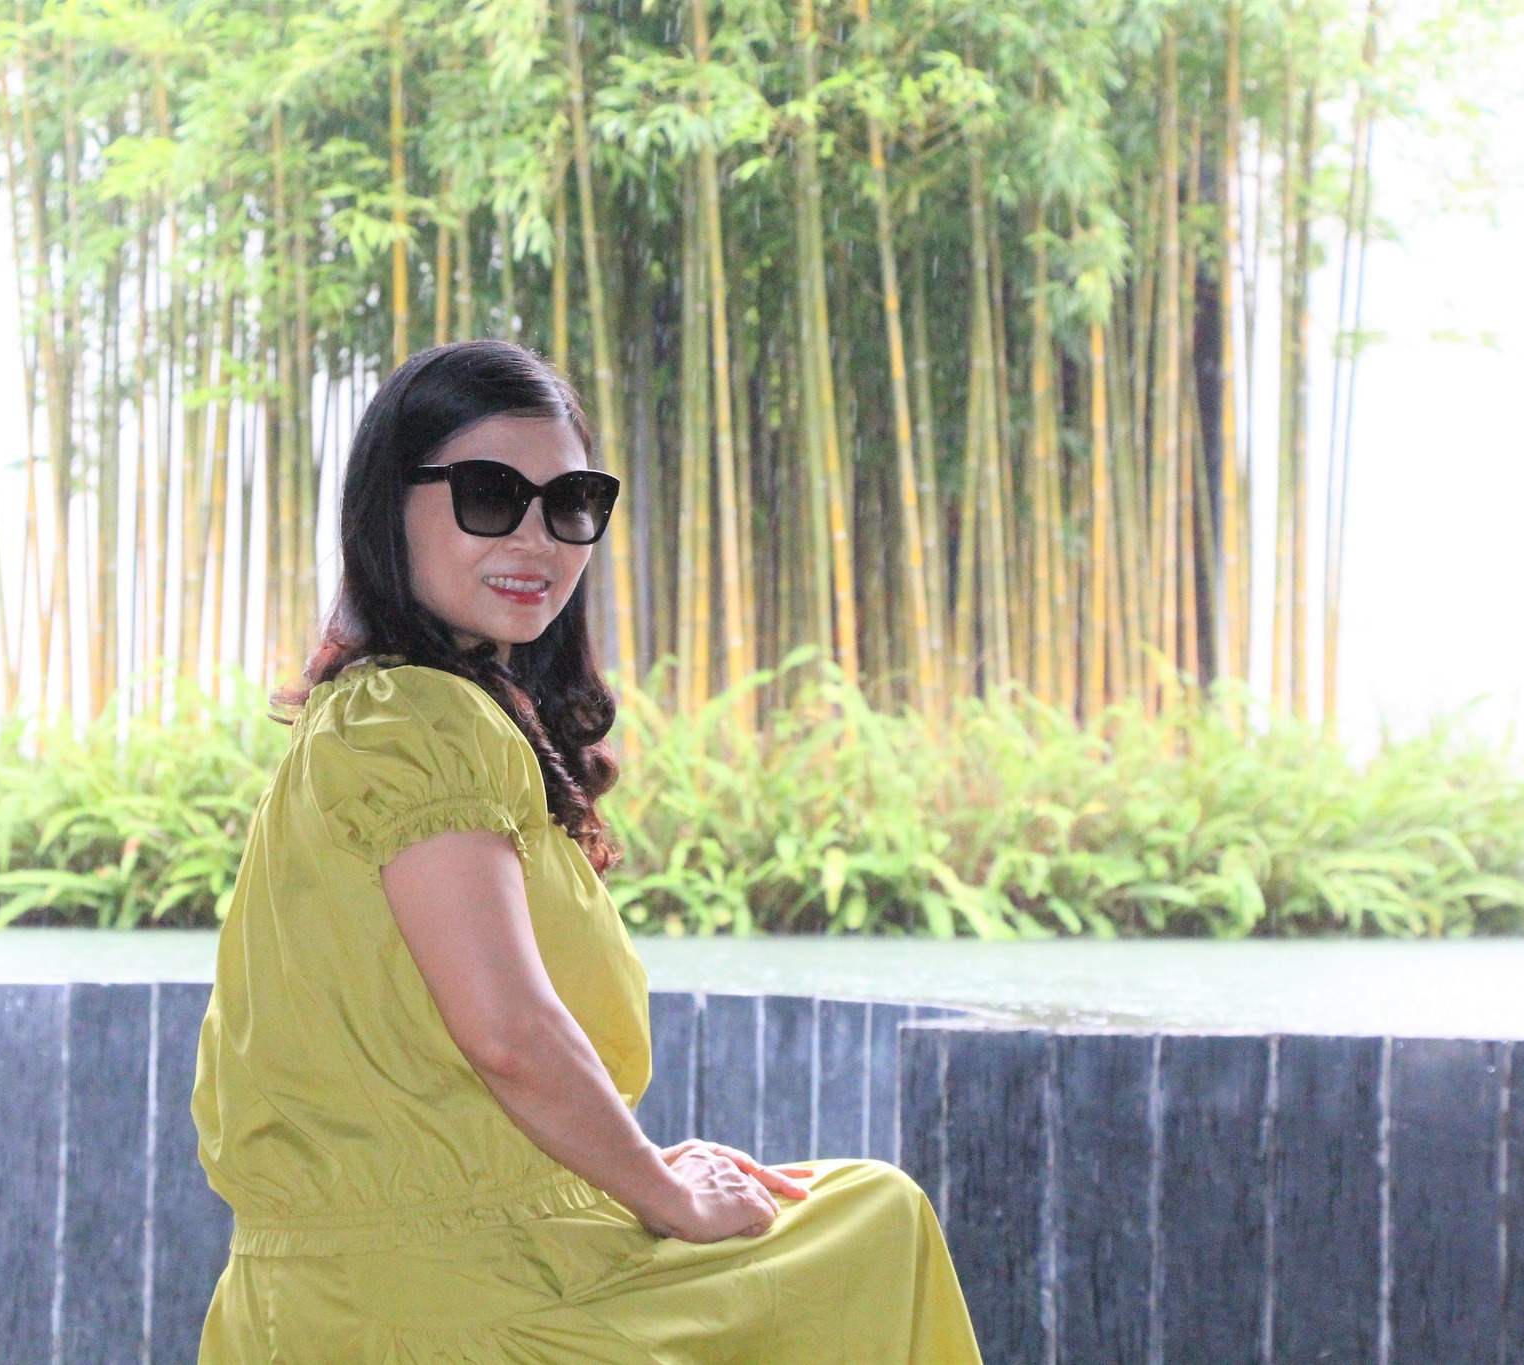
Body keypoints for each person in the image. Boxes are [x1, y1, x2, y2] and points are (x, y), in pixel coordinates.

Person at [190, 339, 982, 1363]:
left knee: (862, 1212)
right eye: (489, 495)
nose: (537, 539)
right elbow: (510, 1033)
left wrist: (629, 1170)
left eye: (570, 503)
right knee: (875, 1231)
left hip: (422, 1266)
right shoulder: (419, 723)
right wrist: (662, 1191)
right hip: (444, 1300)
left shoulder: (384, 711)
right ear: (389, 504)